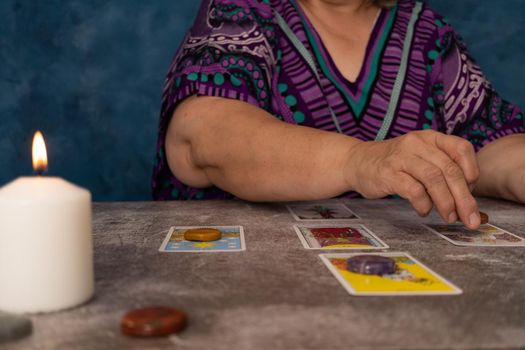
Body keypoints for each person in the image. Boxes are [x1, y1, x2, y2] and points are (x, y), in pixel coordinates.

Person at [152, 0, 525, 230]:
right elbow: (202, 138)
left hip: (394, 287)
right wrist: (359, 160)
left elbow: (485, 142)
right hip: (249, 282)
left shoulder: (425, 29)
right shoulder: (244, 9)